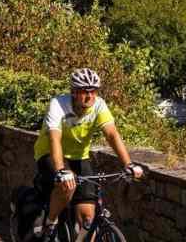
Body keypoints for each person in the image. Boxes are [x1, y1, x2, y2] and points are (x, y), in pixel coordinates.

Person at [33, 68, 143, 241]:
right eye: (85, 91)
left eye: (93, 91)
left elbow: (112, 135)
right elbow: (55, 139)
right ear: (74, 92)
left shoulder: (99, 105)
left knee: (87, 218)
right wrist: (61, 170)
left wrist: (128, 164)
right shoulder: (58, 104)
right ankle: (50, 223)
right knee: (67, 185)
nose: (90, 96)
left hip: (79, 156)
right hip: (50, 154)